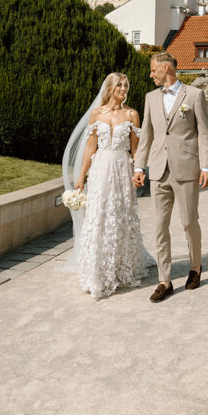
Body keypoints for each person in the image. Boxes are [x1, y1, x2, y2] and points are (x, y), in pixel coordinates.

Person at [65, 73, 154, 299]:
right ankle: (97, 272)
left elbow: (136, 149)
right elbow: (90, 148)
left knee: (121, 215)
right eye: (119, 86)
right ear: (110, 88)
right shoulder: (97, 114)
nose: (123, 89)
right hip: (100, 169)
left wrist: (138, 171)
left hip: (122, 169)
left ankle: (122, 268)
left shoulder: (132, 114)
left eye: (126, 86)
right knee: (99, 215)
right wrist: (80, 178)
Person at [133, 52, 208, 302]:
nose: (150, 74)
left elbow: (205, 133)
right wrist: (139, 167)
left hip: (186, 168)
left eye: (153, 70)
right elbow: (146, 135)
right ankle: (164, 280)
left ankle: (195, 267)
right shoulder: (149, 98)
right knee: (160, 226)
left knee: (189, 221)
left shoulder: (194, 95)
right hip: (158, 171)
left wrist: (207, 167)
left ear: (166, 68)